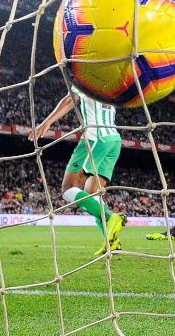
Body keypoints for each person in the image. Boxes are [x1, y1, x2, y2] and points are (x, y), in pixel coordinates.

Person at [29, 88, 126, 256]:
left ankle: (111, 217)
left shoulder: (84, 75)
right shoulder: (109, 80)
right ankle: (112, 243)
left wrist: (46, 122)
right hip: (114, 139)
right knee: (92, 194)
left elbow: (69, 100)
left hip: (95, 137)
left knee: (68, 189)